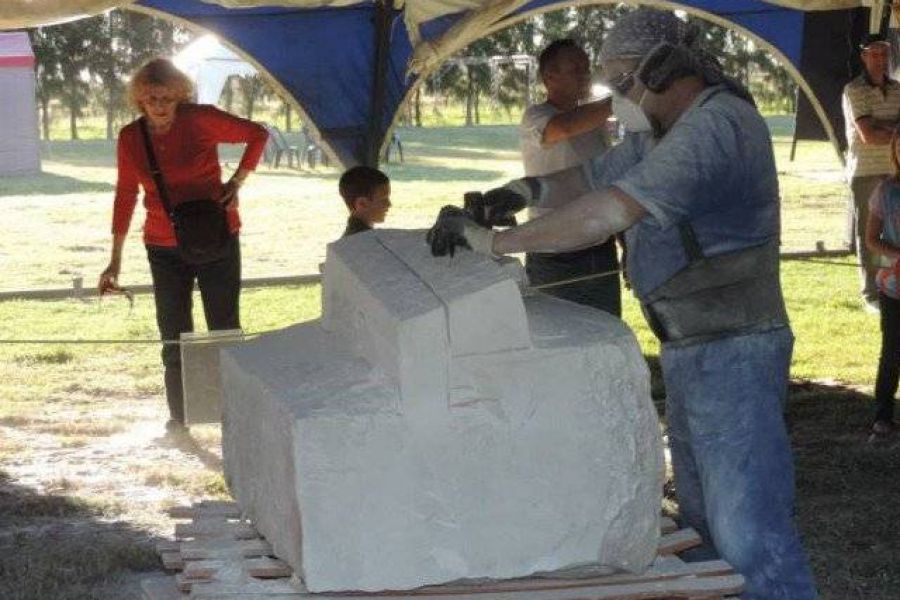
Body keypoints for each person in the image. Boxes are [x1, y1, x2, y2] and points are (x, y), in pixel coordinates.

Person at [427, 8, 817, 599]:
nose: (616, 99)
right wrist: (520, 192)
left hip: (735, 347)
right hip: (691, 343)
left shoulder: (719, 126)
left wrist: (497, 242)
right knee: (704, 522)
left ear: (663, 71)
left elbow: (609, 209)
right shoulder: (658, 132)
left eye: (622, 83)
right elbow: (586, 179)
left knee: (750, 532)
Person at [97, 58, 268, 432]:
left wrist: (237, 182)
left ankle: (233, 414)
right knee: (173, 333)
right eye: (151, 98)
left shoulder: (200, 119)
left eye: (167, 98)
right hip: (162, 244)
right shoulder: (131, 138)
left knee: (223, 326)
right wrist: (114, 260)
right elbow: (125, 195)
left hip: (216, 238)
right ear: (139, 100)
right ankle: (180, 418)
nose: (159, 105)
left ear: (180, 96)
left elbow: (258, 133)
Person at [519, 39, 620, 316]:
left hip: (599, 248)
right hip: (554, 250)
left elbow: (609, 181)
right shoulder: (536, 117)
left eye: (587, 69)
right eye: (577, 69)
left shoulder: (595, 123)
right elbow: (563, 127)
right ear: (549, 76)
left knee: (606, 332)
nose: (586, 76)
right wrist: (624, 98)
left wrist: (625, 240)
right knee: (556, 335)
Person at [842, 34, 900, 312]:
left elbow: (879, 132)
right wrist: (893, 131)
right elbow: (867, 135)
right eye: (874, 54)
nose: (880, 60)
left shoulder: (899, 89)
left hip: (895, 170)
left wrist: (881, 126)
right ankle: (871, 292)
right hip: (865, 170)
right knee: (869, 233)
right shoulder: (855, 90)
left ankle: (893, 282)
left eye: (884, 54)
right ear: (864, 57)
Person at [865, 133, 900, 436]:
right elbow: (871, 239)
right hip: (893, 288)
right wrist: (896, 255)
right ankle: (883, 414)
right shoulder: (885, 192)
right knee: (891, 351)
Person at [338, 165, 391, 237]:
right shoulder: (362, 242)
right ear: (362, 204)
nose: (389, 204)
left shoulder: (352, 238)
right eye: (383, 200)